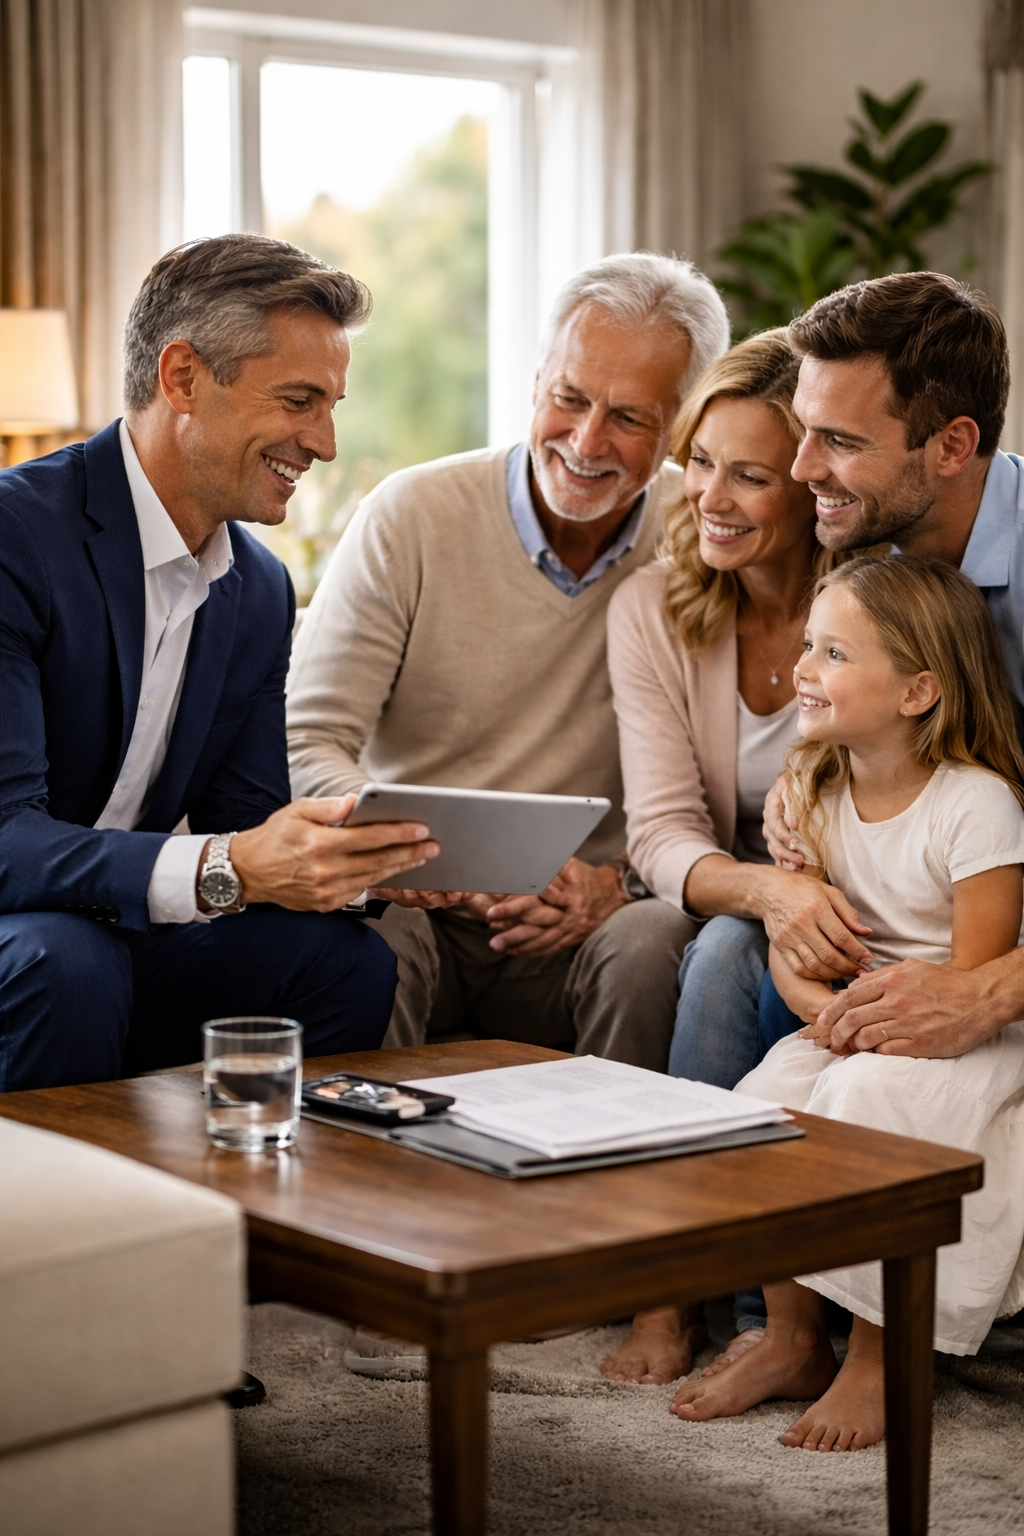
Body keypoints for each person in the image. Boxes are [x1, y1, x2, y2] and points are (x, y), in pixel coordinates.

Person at [0, 234, 444, 1092]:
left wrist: (364, 865)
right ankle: (70, 1222)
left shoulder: (259, 589)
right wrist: (228, 866)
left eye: (332, 405)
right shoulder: (17, 540)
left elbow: (243, 821)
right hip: (32, 939)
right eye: (298, 401)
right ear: (182, 378)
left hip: (102, 936)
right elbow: (7, 840)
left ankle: (259, 1219)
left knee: (339, 959)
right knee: (71, 961)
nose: (324, 442)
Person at [285, 253, 730, 1071]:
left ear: (685, 425)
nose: (586, 442)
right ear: (535, 383)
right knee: (364, 940)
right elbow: (307, 742)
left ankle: (618, 1188)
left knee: (652, 937)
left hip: (582, 914)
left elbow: (731, 785)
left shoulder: (707, 539)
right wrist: (416, 851)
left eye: (630, 418)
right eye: (568, 398)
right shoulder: (411, 516)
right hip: (415, 897)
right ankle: (364, 1182)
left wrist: (619, 886)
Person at [671, 554, 1024, 1451]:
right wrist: (817, 1009)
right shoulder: (818, 793)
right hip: (854, 1022)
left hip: (962, 1033)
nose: (804, 670)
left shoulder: (977, 806)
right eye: (809, 646)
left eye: (834, 653)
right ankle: (791, 1338)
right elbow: (798, 956)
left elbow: (974, 981)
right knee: (759, 1109)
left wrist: (872, 1034)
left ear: (917, 691)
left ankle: (878, 1352)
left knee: (867, 1105)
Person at [599, 330, 878, 1387]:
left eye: (750, 475)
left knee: (725, 957)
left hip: (869, 906)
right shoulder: (655, 610)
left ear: (811, 485)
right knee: (719, 944)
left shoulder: (878, 606)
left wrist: (806, 896)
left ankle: (742, 1307)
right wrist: (770, 888)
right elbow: (661, 832)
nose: (711, 496)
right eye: (699, 462)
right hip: (740, 896)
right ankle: (688, 1286)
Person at [758, 271, 1024, 1064]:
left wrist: (988, 991)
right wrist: (809, 782)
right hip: (910, 920)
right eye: (806, 430)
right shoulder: (863, 537)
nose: (802, 468)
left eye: (839, 440)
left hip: (993, 937)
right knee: (720, 961)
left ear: (953, 445)